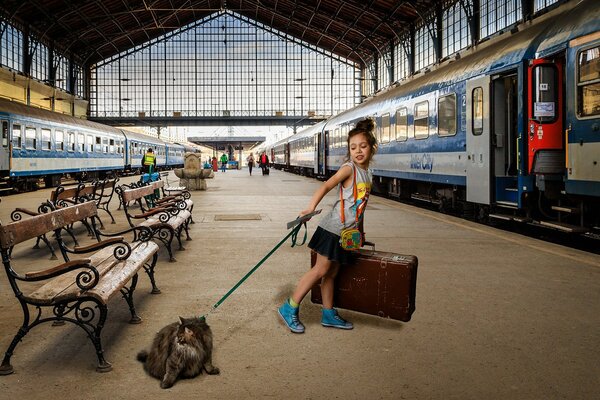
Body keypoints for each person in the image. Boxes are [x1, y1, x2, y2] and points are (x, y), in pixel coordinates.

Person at [278, 118, 377, 333]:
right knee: (321, 269)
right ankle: (289, 307)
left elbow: (359, 206)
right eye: (353, 147)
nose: (358, 151)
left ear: (372, 147)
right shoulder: (348, 169)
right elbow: (326, 186)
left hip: (347, 233)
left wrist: (359, 229)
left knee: (331, 274)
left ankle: (328, 313)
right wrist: (310, 208)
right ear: (348, 150)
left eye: (363, 146)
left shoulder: (368, 173)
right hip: (333, 229)